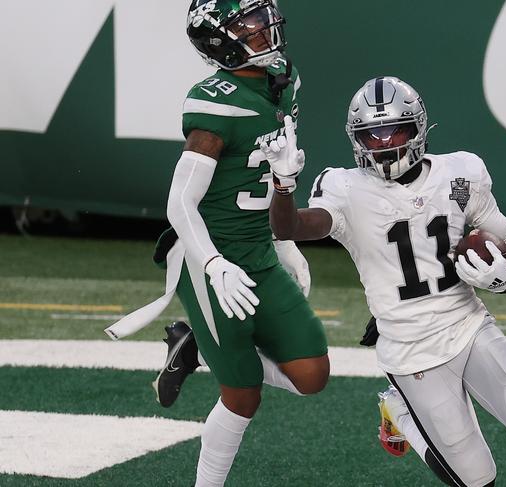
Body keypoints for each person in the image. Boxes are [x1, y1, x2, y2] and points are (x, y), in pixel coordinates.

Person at [265, 77, 506, 486]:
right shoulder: (347, 189)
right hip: (410, 350)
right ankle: (403, 415)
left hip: (469, 326)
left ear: (418, 128)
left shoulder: (460, 174)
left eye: (394, 131)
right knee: (478, 479)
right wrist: (282, 185)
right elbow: (291, 226)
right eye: (372, 135)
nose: (384, 144)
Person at [107, 1, 329, 486]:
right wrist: (212, 264)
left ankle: (195, 349)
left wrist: (281, 238)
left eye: (261, 17)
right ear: (218, 41)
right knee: (243, 396)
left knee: (312, 375)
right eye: (246, 24)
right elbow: (179, 203)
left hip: (257, 247)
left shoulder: (285, 77)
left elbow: (273, 166)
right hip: (209, 256)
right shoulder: (213, 102)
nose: (263, 28)